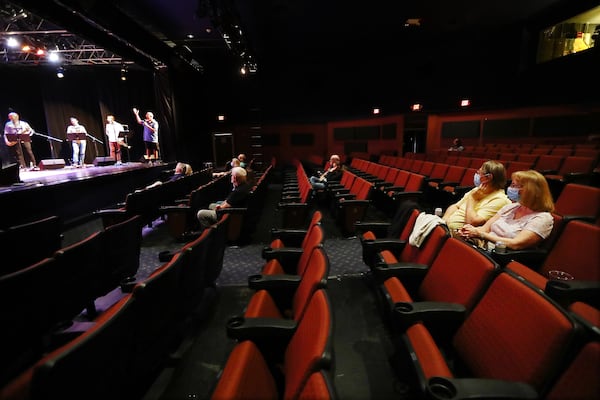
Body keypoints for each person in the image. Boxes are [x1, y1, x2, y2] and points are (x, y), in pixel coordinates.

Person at [458, 170, 555, 251]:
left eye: (514, 186)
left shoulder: (543, 218)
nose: (510, 189)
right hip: (482, 248)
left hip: (501, 256)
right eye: (512, 185)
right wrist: (469, 231)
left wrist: (481, 235)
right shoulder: (511, 207)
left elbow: (516, 244)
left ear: (530, 191)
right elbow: (485, 229)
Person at [442, 160, 511, 235]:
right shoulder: (476, 190)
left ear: (488, 177)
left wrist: (472, 199)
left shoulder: (500, 200)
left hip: (463, 238)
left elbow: (471, 222)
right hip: (447, 229)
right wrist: (444, 220)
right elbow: (455, 206)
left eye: (479, 173)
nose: (476, 175)